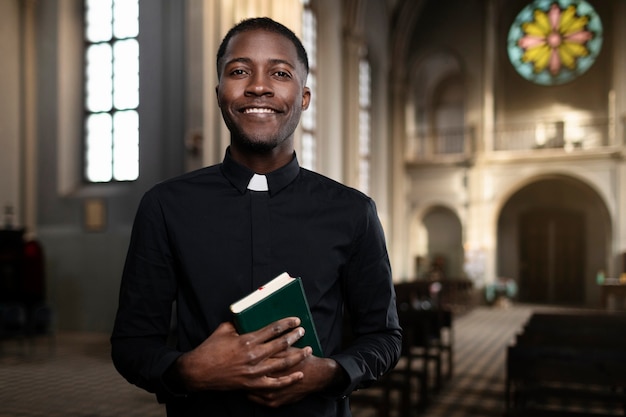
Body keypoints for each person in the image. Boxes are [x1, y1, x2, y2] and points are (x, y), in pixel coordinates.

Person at [111, 17, 402, 417]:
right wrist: (189, 370)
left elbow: (384, 337)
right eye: (239, 71)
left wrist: (332, 373)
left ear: (303, 97)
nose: (258, 86)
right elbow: (131, 345)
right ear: (219, 93)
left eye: (280, 73)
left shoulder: (353, 211)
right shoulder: (165, 206)